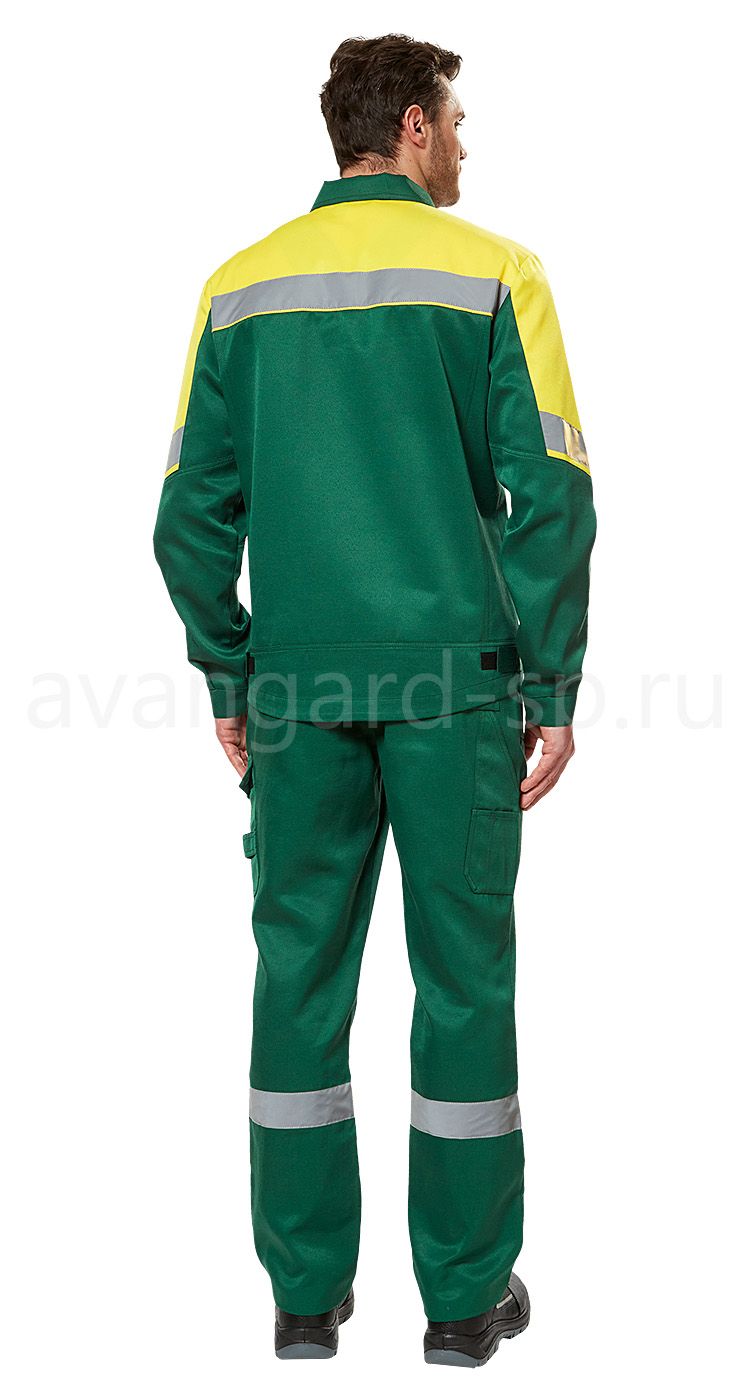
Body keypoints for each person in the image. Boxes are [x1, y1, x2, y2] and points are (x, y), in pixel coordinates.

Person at [153, 32, 596, 1367]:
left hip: (296, 691)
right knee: (462, 986)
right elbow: (553, 494)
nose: (462, 142)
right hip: (455, 691)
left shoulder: (237, 289)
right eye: (453, 119)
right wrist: (552, 680)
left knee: (297, 978)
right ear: (408, 124)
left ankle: (303, 1297)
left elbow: (187, 515)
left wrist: (231, 668)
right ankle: (461, 1303)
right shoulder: (497, 273)